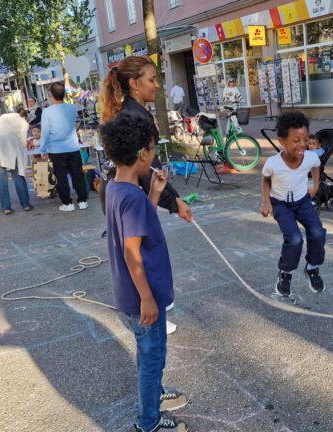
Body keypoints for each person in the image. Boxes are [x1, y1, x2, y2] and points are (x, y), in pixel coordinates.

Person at [99, 111, 189, 432]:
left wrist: (153, 194)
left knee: (150, 351)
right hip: (142, 298)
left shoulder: (117, 188)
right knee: (152, 357)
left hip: (132, 294)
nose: (154, 154)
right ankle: (147, 421)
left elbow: (137, 225)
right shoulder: (130, 197)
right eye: (151, 148)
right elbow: (131, 251)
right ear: (142, 154)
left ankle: (154, 394)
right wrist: (147, 298)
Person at [99, 56, 193, 336]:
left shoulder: (131, 110)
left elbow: (149, 170)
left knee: (136, 249)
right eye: (152, 80)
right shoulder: (134, 116)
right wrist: (175, 202)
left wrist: (163, 195)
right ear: (134, 83)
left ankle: (147, 305)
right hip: (132, 192)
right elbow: (147, 169)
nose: (157, 86)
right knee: (141, 252)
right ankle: (149, 308)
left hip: (123, 191)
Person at [260, 112, 327, 297]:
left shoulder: (311, 157)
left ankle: (312, 268)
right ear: (283, 141)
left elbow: (316, 166)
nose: (302, 145)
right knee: (295, 239)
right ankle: (285, 274)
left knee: (318, 232)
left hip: (303, 201)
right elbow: (266, 179)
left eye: (305, 139)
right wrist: (266, 202)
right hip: (281, 204)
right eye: (296, 140)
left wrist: (315, 184)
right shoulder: (274, 163)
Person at [38, 82, 88, 212]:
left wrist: (42, 149)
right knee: (77, 174)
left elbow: (45, 132)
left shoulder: (47, 112)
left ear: (50, 95)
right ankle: (82, 200)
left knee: (61, 177)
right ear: (65, 94)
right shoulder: (72, 108)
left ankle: (67, 203)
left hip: (56, 149)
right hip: (73, 147)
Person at [0, 113, 33, 215]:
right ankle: (25, 204)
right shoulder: (18, 126)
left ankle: (6, 207)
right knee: (18, 176)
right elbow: (23, 143)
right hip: (12, 150)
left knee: (0, 180)